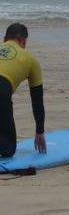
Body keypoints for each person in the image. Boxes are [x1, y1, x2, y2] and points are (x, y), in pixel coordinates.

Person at [0, 23, 45, 158]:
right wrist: (39, 131)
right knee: (7, 150)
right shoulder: (31, 60)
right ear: (23, 41)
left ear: (4, 39)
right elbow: (37, 100)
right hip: (1, 91)